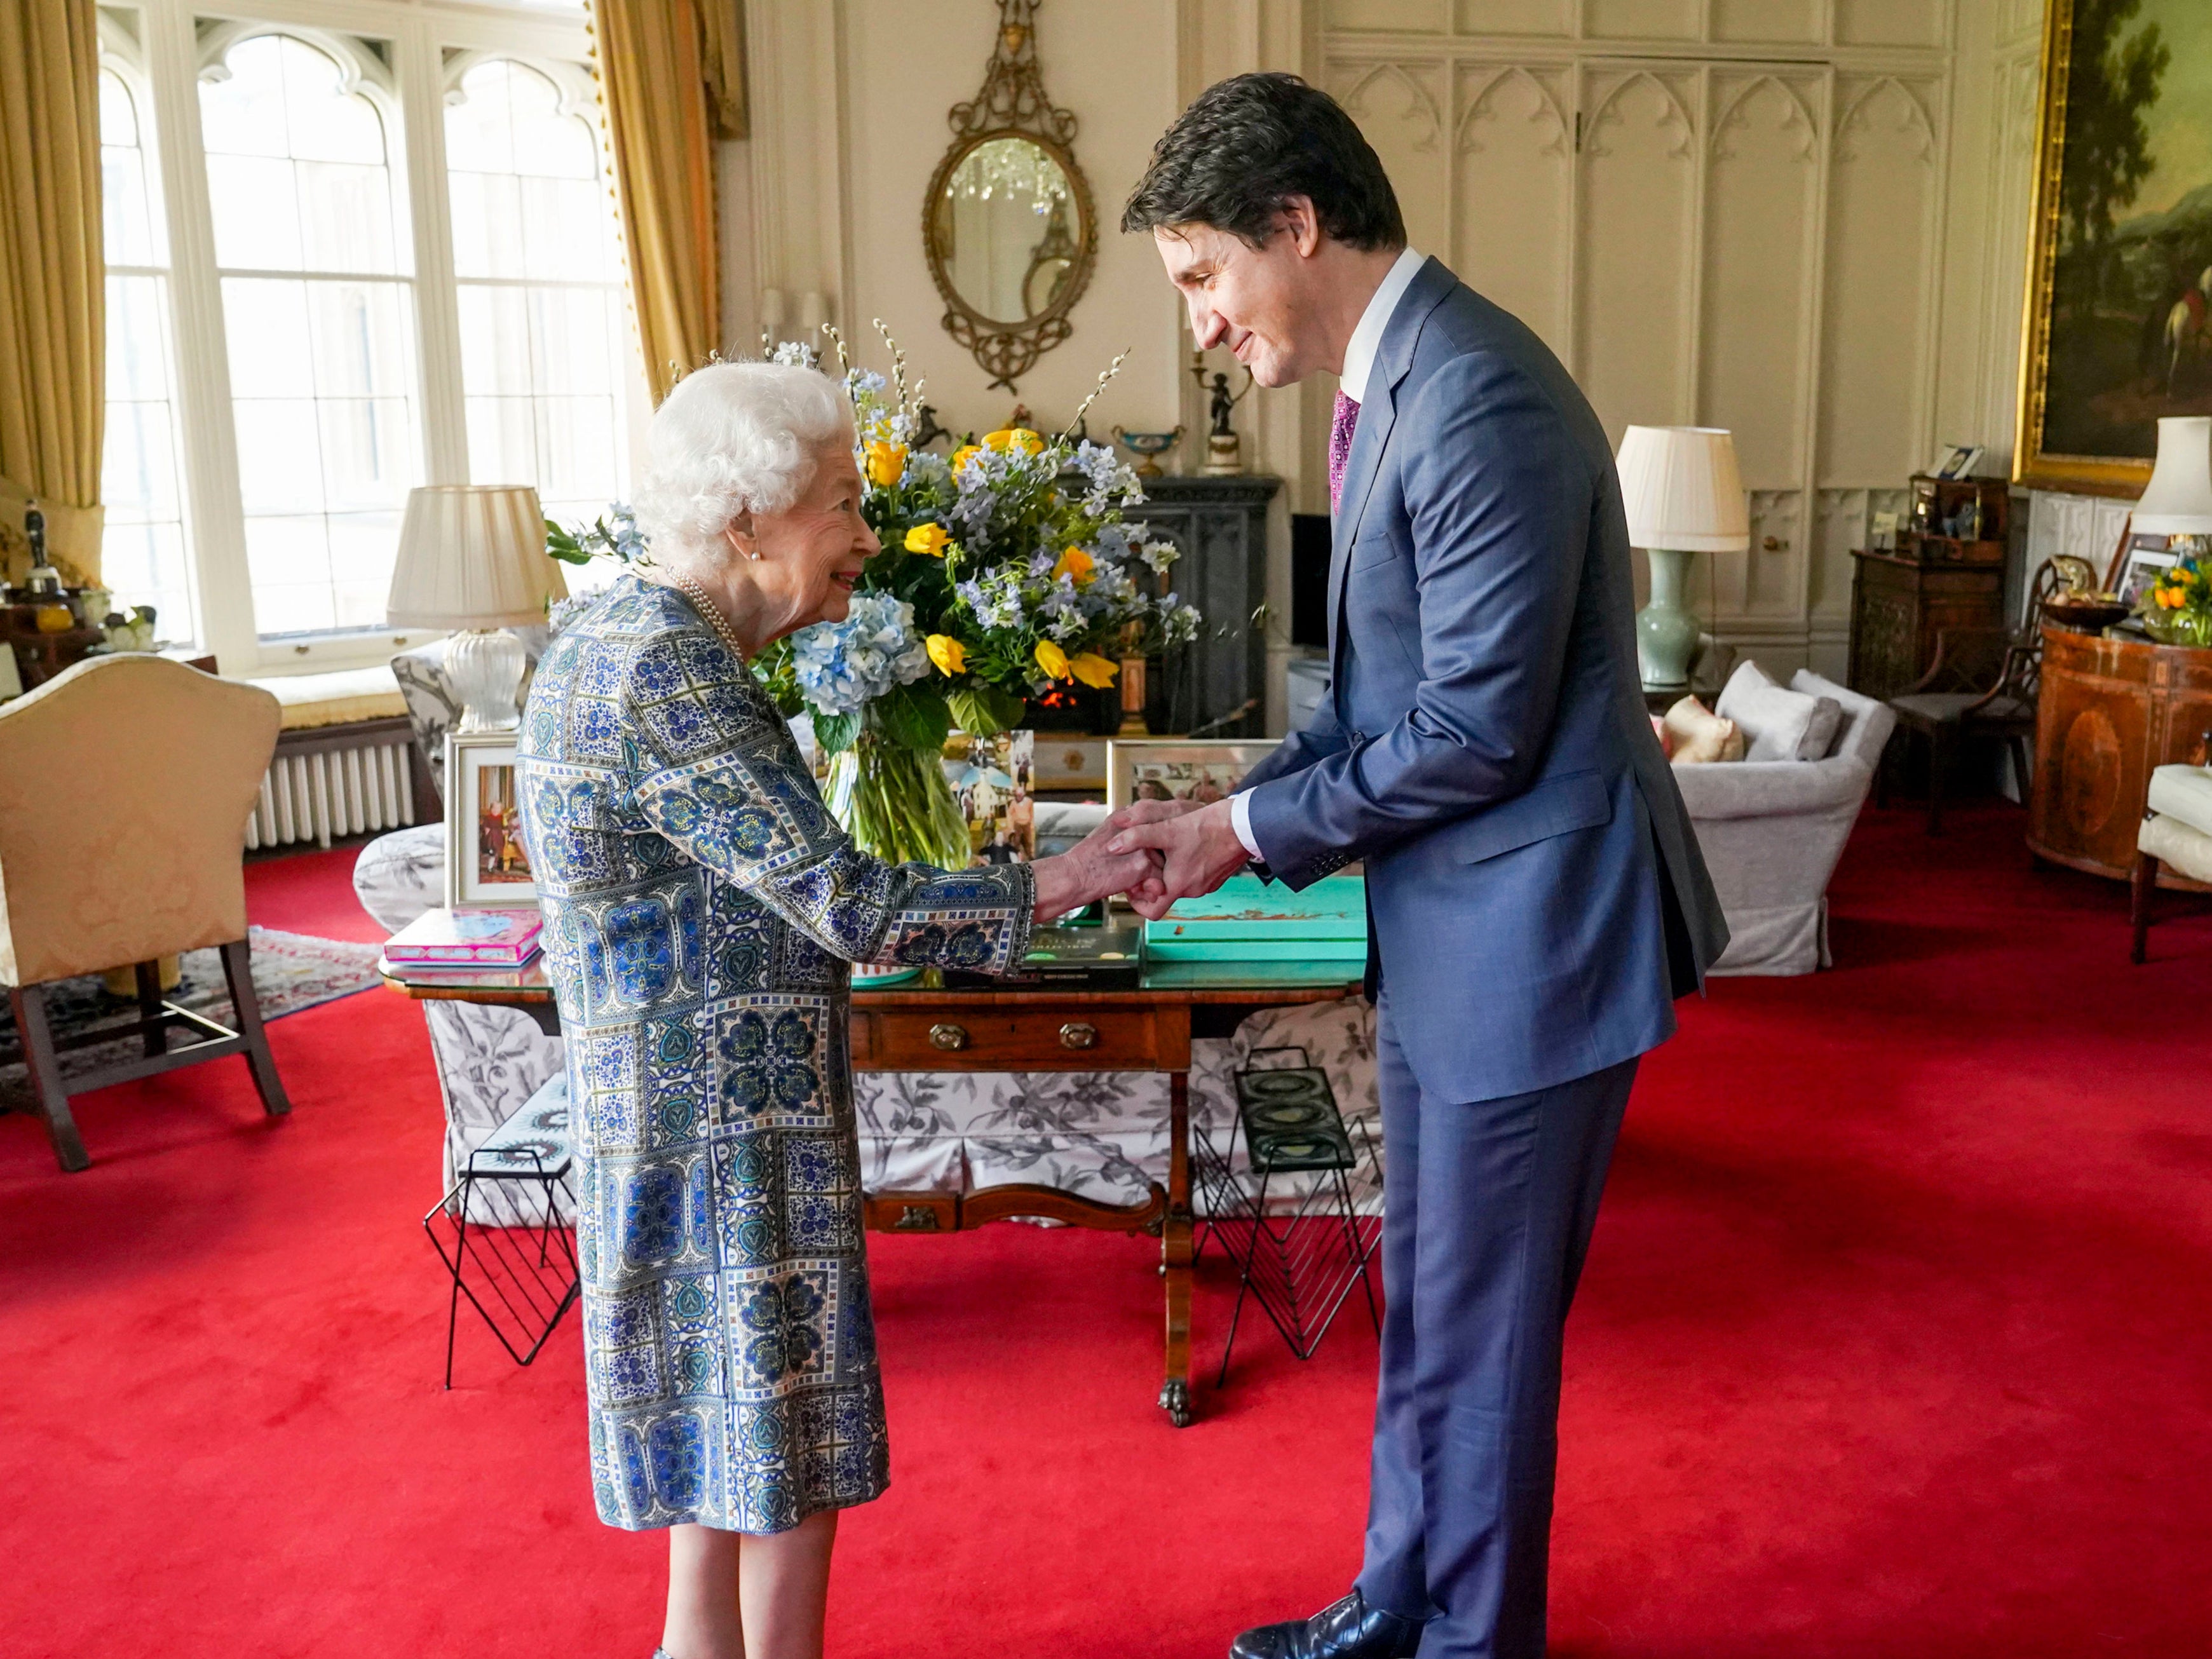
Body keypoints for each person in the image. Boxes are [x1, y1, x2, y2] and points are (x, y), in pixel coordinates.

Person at [1111, 74, 1728, 1659]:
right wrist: (1215, 818)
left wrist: (1238, 836)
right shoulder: (1390, 390)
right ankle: (1397, 1606)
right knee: (1439, 1322)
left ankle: (1467, 1641)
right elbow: (1370, 707)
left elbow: (1470, 735)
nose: (1199, 324)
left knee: (1486, 1339)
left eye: (1201, 277)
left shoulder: (1478, 396)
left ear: (1295, 225)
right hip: (1462, 934)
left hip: (1537, 941)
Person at [516, 361, 1156, 1659]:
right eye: (839, 504)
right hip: (723, 1137)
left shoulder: (627, 636)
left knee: (727, 1442)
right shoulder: (665, 668)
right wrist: (1072, 874)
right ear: (747, 521)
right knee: (785, 1442)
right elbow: (851, 904)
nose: (868, 535)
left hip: (678, 1115)